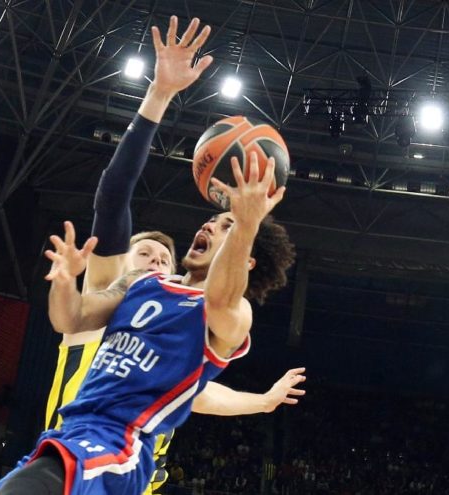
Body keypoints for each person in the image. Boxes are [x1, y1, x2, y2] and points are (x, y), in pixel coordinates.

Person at [40, 14, 303, 495]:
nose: (158, 260)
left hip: (122, 464)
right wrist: (158, 94)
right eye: (145, 251)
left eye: (165, 255)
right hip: (74, 450)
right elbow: (114, 196)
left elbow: (202, 393)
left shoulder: (187, 310)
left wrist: (261, 402)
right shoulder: (119, 288)